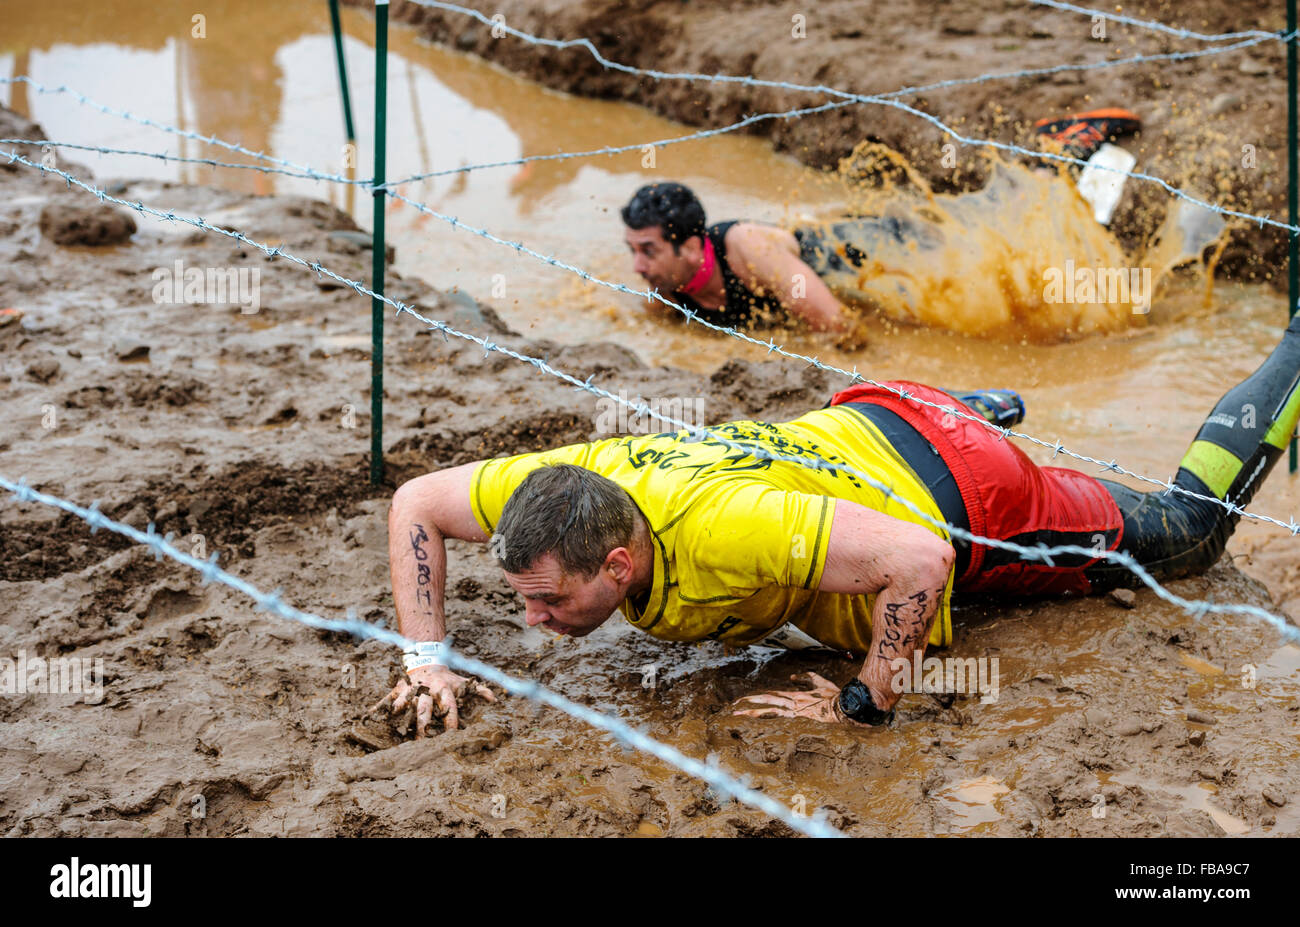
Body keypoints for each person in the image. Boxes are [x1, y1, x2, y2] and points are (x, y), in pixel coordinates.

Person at [378, 311, 1300, 734]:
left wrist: (865, 700)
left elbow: (920, 558)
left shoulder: (727, 534)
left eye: (545, 601)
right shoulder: (558, 487)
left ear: (619, 563)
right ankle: (971, 405)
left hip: (968, 499)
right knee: (870, 463)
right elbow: (417, 501)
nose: (533, 620)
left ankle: (1294, 343)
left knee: (1190, 532)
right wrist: (426, 655)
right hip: (864, 419)